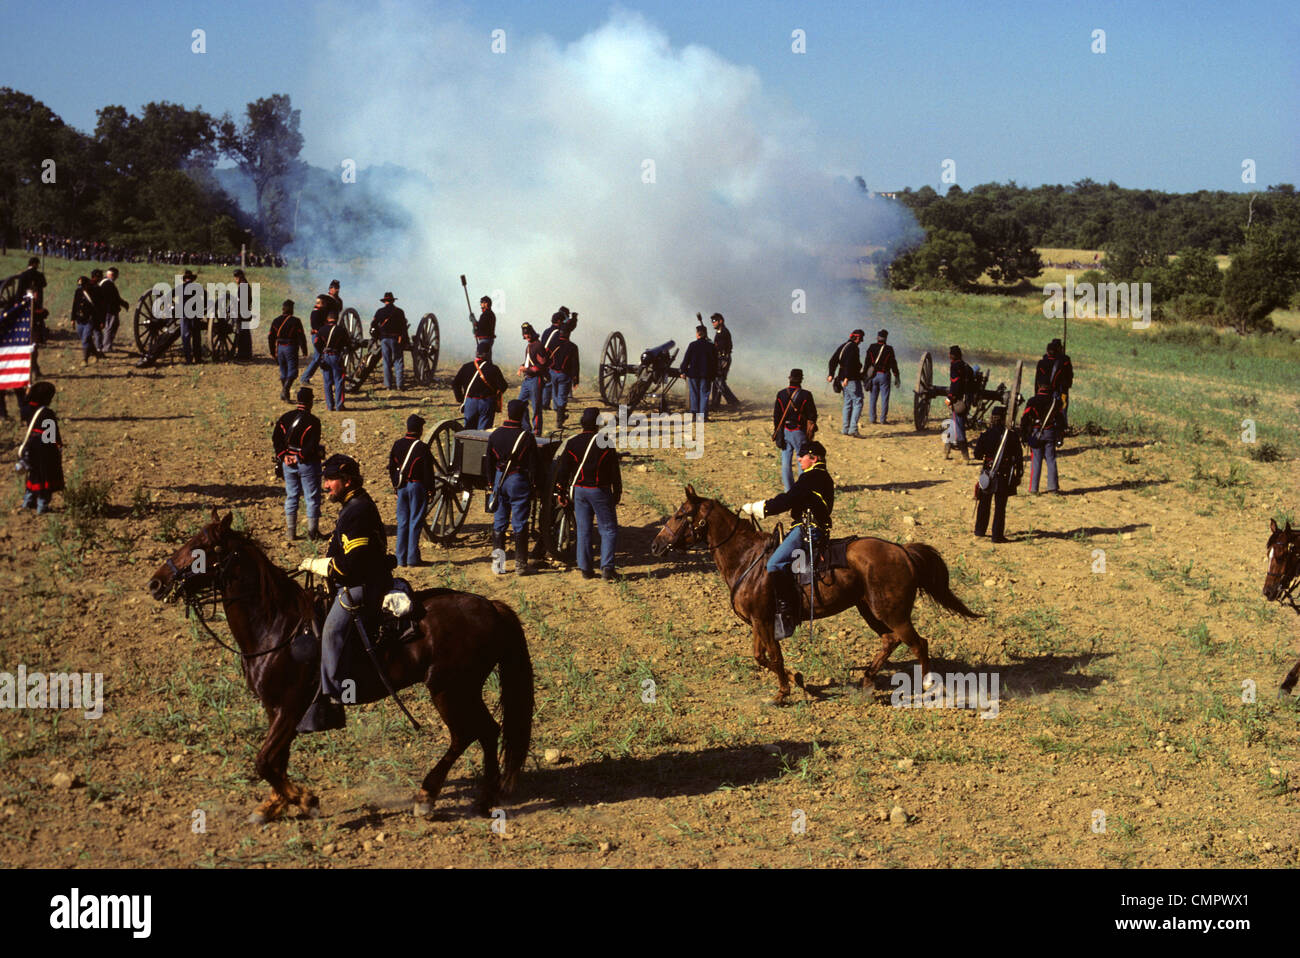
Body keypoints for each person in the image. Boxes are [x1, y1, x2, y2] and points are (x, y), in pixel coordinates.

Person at [296, 454, 390, 732]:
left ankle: (334, 696)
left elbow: (350, 566)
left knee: (332, 632)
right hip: (354, 579)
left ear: (347, 481)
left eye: (330, 480)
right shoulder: (352, 505)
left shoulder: (357, 511)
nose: (325, 486)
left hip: (361, 586)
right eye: (325, 480)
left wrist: (319, 565)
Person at [741, 440, 833, 639]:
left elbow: (788, 500)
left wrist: (760, 508)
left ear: (814, 458)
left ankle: (786, 614)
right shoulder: (819, 476)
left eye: (803, 456)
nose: (799, 459)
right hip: (807, 527)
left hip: (807, 529)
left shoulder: (812, 476)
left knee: (774, 563)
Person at [555, 407, 621, 580]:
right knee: (608, 529)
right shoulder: (606, 442)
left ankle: (585, 569)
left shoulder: (573, 442)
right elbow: (614, 471)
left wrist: (561, 491)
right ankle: (607, 568)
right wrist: (617, 491)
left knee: (583, 529)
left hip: (579, 491)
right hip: (599, 490)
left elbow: (563, 471)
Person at [489, 399, 538, 575]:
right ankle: (520, 565)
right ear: (522, 414)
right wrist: (533, 485)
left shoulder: (495, 435)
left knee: (499, 522)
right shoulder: (527, 437)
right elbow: (533, 465)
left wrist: (491, 483)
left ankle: (498, 565)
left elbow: (489, 461)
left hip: (499, 479)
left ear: (508, 413)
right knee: (519, 523)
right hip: (518, 479)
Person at [272, 387, 325, 542]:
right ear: (310, 402)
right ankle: (312, 533)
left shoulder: (285, 418)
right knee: (312, 497)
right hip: (307, 463)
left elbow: (276, 439)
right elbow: (312, 444)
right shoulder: (313, 421)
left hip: (287, 462)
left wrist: (284, 456)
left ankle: (290, 532)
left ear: (297, 400)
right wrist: (299, 457)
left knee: (292, 495)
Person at [972, 406, 1023, 543]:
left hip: (988, 474)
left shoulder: (985, 435)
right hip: (1003, 475)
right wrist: (1019, 474)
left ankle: (980, 530)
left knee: (984, 503)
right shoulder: (1011, 436)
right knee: (1000, 507)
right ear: (1003, 418)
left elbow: (977, 455)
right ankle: (997, 536)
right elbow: (1018, 456)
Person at [388, 414, 433, 567]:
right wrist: (431, 490)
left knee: (402, 522)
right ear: (420, 429)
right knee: (415, 522)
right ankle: (413, 559)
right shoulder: (422, 447)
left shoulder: (397, 444)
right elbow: (428, 472)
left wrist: (396, 485)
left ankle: (400, 559)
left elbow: (392, 467)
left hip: (401, 487)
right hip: (417, 486)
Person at [17, 381, 63, 515]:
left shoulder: (27, 410)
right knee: (45, 477)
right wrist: (58, 446)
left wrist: (27, 394)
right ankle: (42, 506)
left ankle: (27, 502)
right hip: (45, 449)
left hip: (31, 447)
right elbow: (51, 435)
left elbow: (24, 405)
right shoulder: (47, 413)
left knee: (33, 475)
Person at [772, 368, 817, 492]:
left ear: (790, 378)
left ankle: (788, 489)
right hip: (799, 432)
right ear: (801, 379)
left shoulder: (781, 394)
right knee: (802, 460)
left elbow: (777, 415)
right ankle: (802, 488)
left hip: (785, 430)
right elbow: (812, 415)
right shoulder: (806, 395)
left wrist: (777, 431)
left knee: (786, 462)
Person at [453, 341, 509, 430]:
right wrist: (495, 395)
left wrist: (460, 398)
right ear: (488, 353)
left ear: (476, 353)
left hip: (470, 402)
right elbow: (503, 386)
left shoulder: (466, 367)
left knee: (468, 431)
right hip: (486, 403)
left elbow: (455, 383)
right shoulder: (493, 368)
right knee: (483, 432)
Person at [1020, 386, 1063, 494]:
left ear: (1039, 388)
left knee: (1036, 461)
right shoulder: (1056, 402)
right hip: (1050, 432)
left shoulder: (1032, 401)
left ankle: (1034, 489)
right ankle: (1053, 488)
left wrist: (1024, 435)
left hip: (1036, 433)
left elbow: (1025, 418)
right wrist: (1060, 436)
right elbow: (1061, 421)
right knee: (1051, 460)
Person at [268, 299, 308, 402]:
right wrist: (304, 350)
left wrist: (272, 352)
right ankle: (285, 391)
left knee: (283, 371)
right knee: (293, 372)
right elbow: (301, 337)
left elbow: (270, 337)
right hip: (290, 347)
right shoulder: (295, 321)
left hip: (279, 348)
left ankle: (286, 395)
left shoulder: (276, 321)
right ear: (291, 309)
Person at [1035, 338, 1073, 446]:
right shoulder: (1064, 361)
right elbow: (1068, 377)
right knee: (1061, 412)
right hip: (1060, 391)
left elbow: (1037, 379)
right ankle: (1059, 434)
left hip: (1044, 391)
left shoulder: (1043, 361)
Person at [827, 329, 865, 436]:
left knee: (848, 403)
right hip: (850, 378)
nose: (861, 341)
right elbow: (850, 363)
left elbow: (833, 360)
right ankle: (853, 429)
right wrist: (847, 377)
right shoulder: (853, 348)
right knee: (858, 401)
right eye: (861, 338)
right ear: (857, 338)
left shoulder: (844, 345)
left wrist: (831, 374)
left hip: (841, 377)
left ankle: (845, 429)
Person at [316, 302, 351, 411]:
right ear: (336, 319)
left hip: (325, 357)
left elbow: (317, 343)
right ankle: (339, 405)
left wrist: (321, 354)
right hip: (336, 356)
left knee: (327, 382)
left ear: (328, 319)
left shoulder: (321, 330)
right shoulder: (341, 330)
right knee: (339, 381)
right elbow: (347, 343)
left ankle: (329, 406)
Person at [371, 292, 409, 390]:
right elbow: (403, 327)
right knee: (398, 361)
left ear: (385, 301)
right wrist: (405, 340)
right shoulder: (400, 312)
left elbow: (373, 325)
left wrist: (375, 337)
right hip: (396, 339)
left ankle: (388, 385)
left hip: (384, 340)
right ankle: (399, 385)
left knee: (386, 362)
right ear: (392, 301)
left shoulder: (379, 311)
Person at [516, 323, 550, 434]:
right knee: (520, 404)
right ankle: (526, 428)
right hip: (527, 379)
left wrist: (525, 369)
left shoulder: (538, 346)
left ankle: (536, 431)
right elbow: (528, 362)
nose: (527, 336)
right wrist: (522, 367)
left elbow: (541, 365)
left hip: (536, 379)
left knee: (536, 407)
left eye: (528, 333)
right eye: (525, 334)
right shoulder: (529, 346)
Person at [299, 287, 337, 385]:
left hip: (322, 336)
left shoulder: (322, 310)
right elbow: (315, 326)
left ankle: (328, 378)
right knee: (318, 357)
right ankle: (305, 378)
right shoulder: (315, 312)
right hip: (317, 336)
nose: (318, 304)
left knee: (321, 356)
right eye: (320, 303)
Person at [681, 323, 717, 422]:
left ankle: (694, 415)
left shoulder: (692, 345)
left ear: (697, 334)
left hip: (693, 374)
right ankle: (703, 417)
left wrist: (683, 370)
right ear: (705, 334)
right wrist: (714, 375)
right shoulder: (711, 346)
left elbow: (686, 360)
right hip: (706, 375)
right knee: (704, 395)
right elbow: (715, 362)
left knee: (694, 394)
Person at [865, 329, 901, 425]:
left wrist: (865, 375)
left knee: (873, 397)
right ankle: (882, 419)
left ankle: (872, 418)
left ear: (877, 337)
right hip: (884, 375)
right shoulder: (889, 349)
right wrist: (896, 375)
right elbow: (893, 363)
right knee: (884, 398)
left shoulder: (871, 347)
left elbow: (867, 362)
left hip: (873, 375)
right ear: (886, 338)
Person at [946, 345, 976, 460]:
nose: (949, 356)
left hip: (958, 401)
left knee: (958, 427)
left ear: (952, 356)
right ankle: (947, 451)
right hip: (966, 400)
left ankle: (966, 457)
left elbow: (955, 385)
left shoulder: (954, 366)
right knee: (953, 424)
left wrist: (949, 399)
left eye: (950, 354)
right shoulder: (966, 367)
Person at [546, 327, 579, 430]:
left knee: (555, 394)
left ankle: (559, 414)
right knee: (562, 397)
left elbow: (547, 356)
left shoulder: (552, 344)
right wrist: (575, 378)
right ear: (569, 334)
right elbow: (575, 364)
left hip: (552, 373)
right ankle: (559, 421)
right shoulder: (572, 347)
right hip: (564, 375)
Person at [96, 267, 129, 354]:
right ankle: (106, 347)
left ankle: (106, 345)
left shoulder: (104, 282)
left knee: (113, 326)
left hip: (107, 309)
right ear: (113, 275)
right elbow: (115, 298)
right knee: (110, 327)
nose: (117, 277)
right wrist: (124, 304)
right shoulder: (108, 284)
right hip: (110, 309)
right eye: (116, 275)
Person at [709, 312, 739, 409]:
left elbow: (723, 347)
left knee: (719, 382)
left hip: (723, 359)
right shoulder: (720, 332)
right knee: (718, 381)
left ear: (720, 321)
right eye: (712, 321)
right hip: (721, 359)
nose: (713, 323)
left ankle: (722, 403)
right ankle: (722, 402)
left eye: (714, 321)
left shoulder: (724, 332)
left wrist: (714, 346)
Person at [178, 269, 207, 364]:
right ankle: (197, 358)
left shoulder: (181, 287)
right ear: (192, 279)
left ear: (185, 279)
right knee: (196, 337)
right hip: (195, 315)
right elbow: (206, 296)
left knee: (185, 337)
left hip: (184, 315)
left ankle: (188, 359)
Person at [70, 275, 99, 365]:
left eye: (82, 285)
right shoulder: (78, 292)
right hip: (80, 319)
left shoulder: (94, 293)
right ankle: (95, 353)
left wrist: (99, 321)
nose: (81, 287)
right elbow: (75, 306)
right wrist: (73, 319)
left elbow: (98, 307)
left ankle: (84, 359)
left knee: (85, 339)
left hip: (89, 319)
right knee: (85, 338)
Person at [231, 269, 255, 362]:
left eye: (236, 277)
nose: (235, 280)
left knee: (243, 334)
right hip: (244, 312)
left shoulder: (244, 286)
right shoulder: (244, 285)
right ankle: (244, 353)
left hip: (243, 313)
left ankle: (244, 355)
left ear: (240, 277)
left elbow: (242, 302)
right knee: (244, 333)